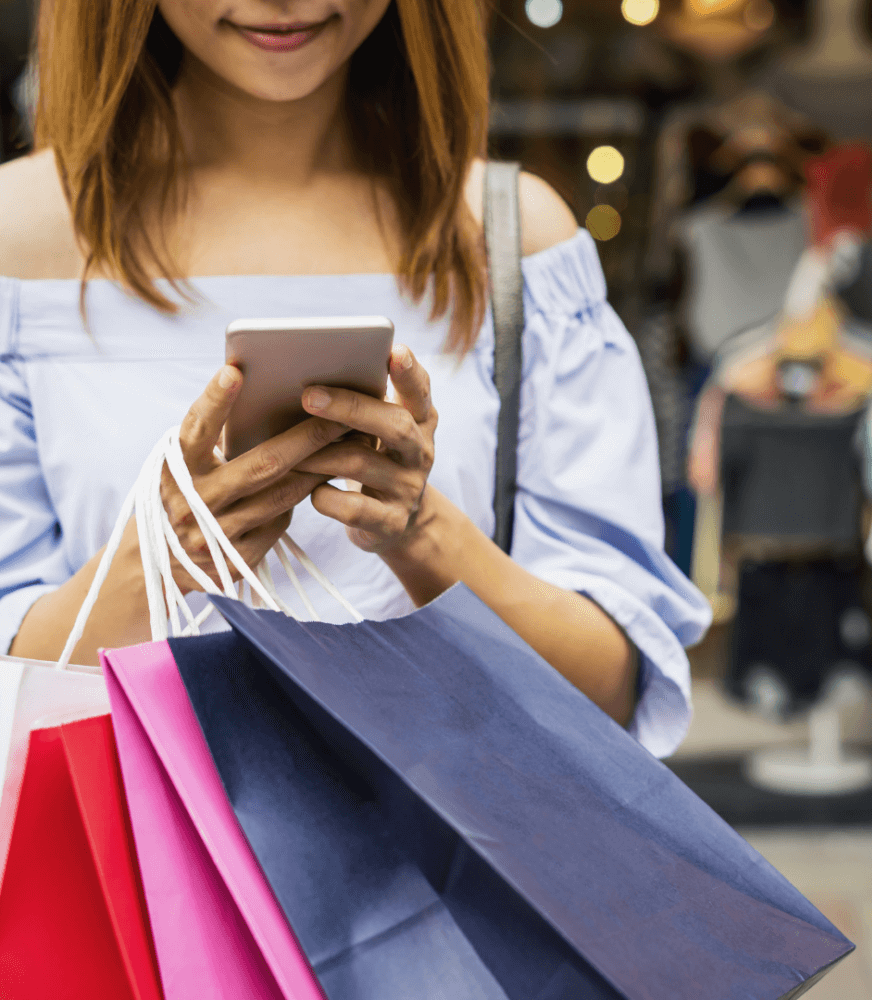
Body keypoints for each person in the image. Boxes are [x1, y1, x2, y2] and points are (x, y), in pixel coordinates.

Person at [0, 0, 709, 757]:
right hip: (129, 863)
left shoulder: (512, 240)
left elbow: (611, 694)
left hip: (448, 862)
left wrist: (425, 534)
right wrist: (158, 562)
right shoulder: (21, 238)